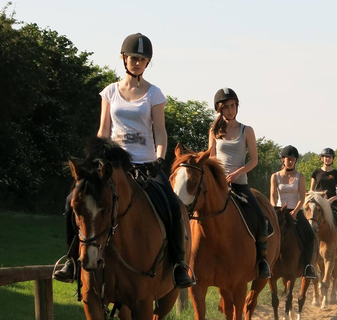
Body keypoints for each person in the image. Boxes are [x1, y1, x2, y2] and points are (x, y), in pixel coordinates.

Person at [54, 33, 194, 288]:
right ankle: (72, 260)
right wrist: (93, 160)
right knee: (71, 200)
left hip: (146, 164)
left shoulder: (155, 94)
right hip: (111, 166)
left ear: (147, 62)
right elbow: (103, 130)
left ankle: (178, 266)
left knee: (173, 205)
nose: (138, 62)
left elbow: (160, 132)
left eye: (143, 59)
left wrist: (159, 159)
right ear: (124, 59)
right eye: (133, 58)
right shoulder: (109, 92)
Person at [208, 87, 270, 278]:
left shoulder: (247, 130)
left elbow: (254, 161)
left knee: (261, 220)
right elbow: (211, 156)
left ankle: (262, 261)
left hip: (240, 184)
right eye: (226, 107)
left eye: (233, 106)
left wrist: (237, 173)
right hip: (219, 184)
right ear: (219, 109)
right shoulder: (214, 130)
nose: (230, 110)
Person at [270, 145, 316, 279]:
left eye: (293, 159)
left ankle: (308, 266)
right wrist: (275, 210)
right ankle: (263, 264)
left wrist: (295, 211)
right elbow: (272, 196)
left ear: (295, 161)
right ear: (282, 160)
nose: (290, 161)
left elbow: (302, 197)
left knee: (310, 234)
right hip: (279, 211)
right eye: (287, 159)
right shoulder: (275, 176)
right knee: (265, 232)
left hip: (295, 211)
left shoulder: (300, 177)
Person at [310, 148, 337, 259]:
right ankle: (307, 244)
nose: (327, 159)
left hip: (331, 203)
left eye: (330, 157)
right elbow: (311, 190)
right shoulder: (316, 172)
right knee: (309, 219)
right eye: (325, 157)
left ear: (332, 159)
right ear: (322, 158)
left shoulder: (336, 174)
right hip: (318, 202)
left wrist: (331, 200)